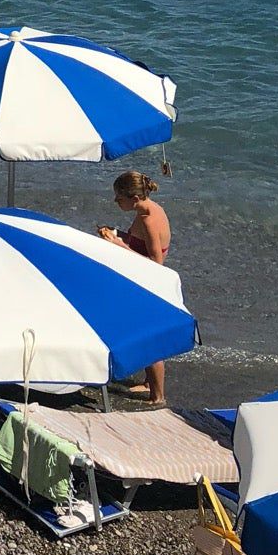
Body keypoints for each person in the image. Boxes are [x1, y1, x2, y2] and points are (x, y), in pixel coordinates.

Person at [99, 170, 171, 404]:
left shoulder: (148, 219)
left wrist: (119, 245)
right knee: (144, 332)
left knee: (149, 338)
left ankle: (157, 397)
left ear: (135, 199)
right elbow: (138, 244)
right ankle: (150, 384)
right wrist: (116, 234)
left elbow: (156, 264)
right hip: (144, 280)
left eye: (119, 198)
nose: (115, 201)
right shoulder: (148, 210)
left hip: (150, 283)